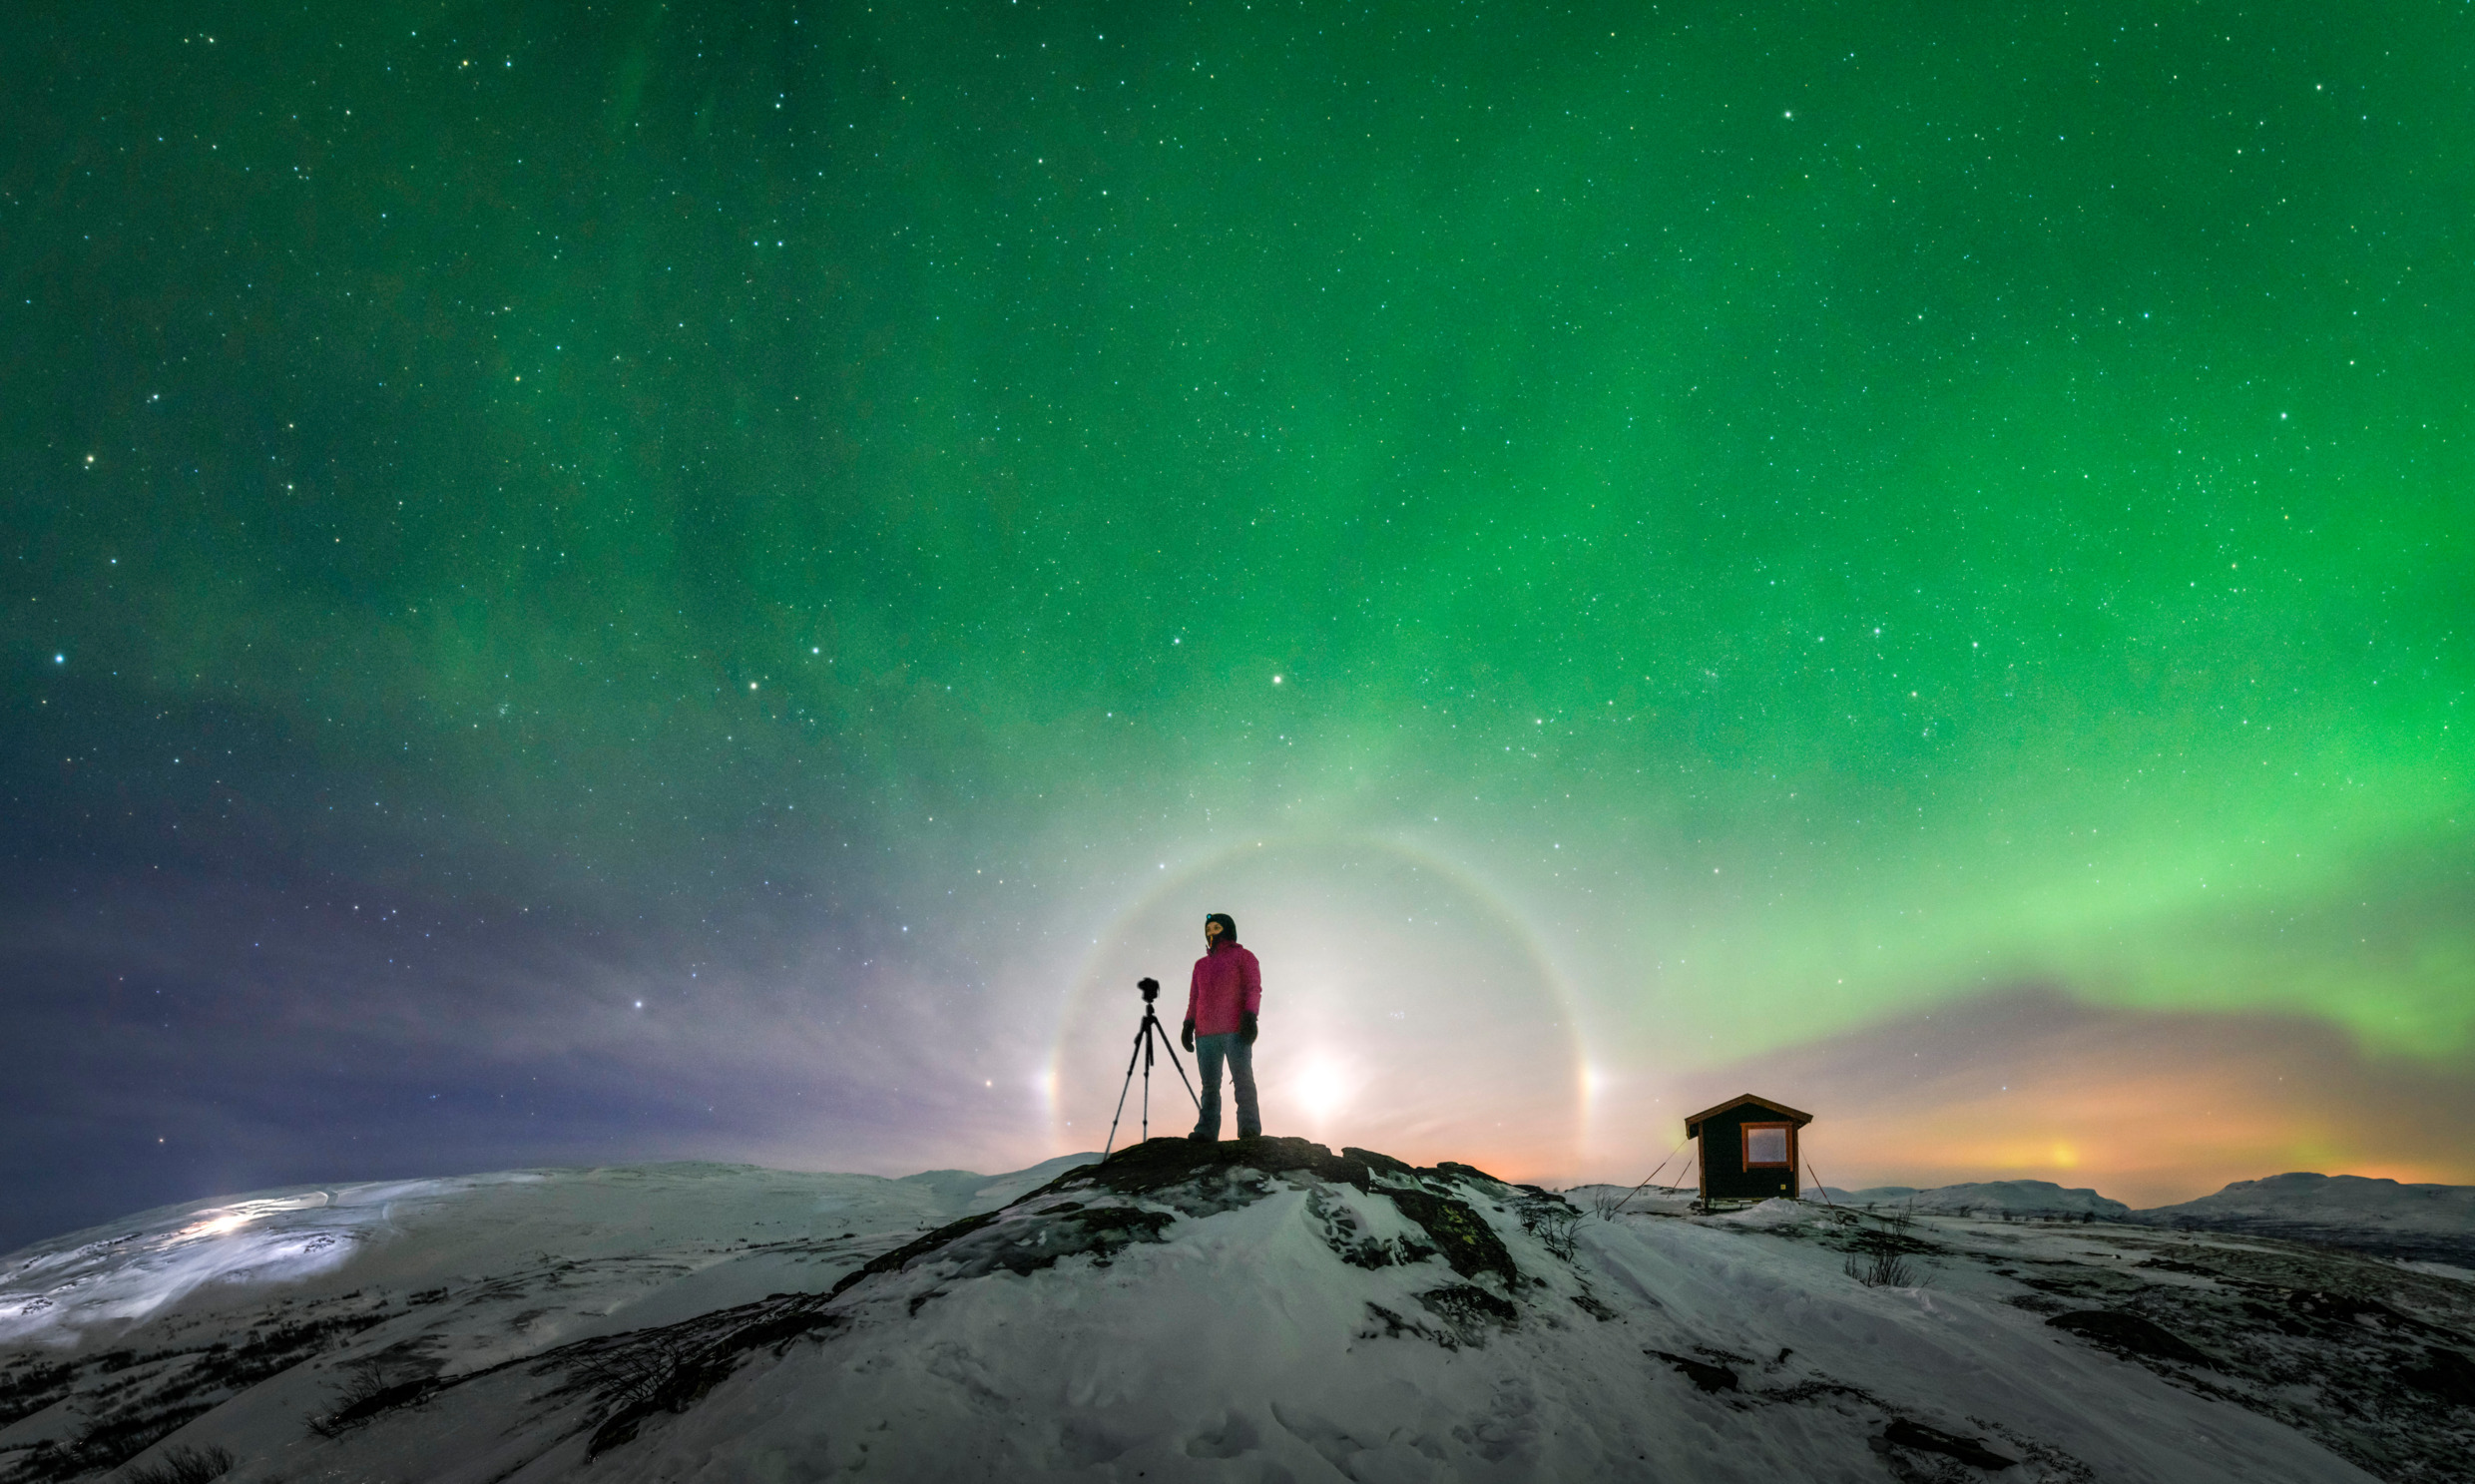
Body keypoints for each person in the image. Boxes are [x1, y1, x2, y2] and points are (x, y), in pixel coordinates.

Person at [1180, 912, 1260, 1142]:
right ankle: (1206, 1131)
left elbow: (1253, 988)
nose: (1211, 933)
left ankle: (1249, 1129)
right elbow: (1194, 998)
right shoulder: (1200, 965)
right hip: (1205, 1033)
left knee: (1243, 1080)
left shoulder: (1244, 956)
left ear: (1227, 929)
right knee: (1209, 1086)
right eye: (1208, 929)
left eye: (1216, 928)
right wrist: (1188, 1024)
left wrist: (1250, 1015)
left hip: (1236, 1029)